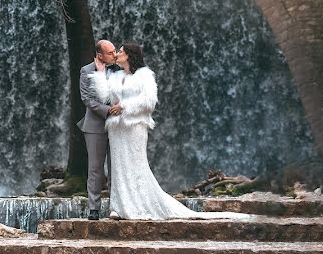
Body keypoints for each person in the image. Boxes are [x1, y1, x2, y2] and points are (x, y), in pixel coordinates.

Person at [95, 43, 250, 220]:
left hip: (135, 126)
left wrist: (124, 106)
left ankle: (138, 205)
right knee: (119, 168)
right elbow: (103, 97)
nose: (117, 54)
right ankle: (118, 207)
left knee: (136, 166)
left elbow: (149, 101)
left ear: (130, 55)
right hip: (117, 129)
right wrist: (100, 73)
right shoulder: (114, 76)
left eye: (120, 51)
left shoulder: (145, 75)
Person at [77, 39, 118, 220]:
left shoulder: (117, 70)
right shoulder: (86, 71)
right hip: (94, 126)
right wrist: (108, 110)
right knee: (95, 169)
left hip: (117, 126)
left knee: (116, 168)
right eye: (110, 53)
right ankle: (94, 208)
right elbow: (87, 99)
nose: (115, 55)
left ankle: (115, 207)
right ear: (100, 55)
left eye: (115, 51)